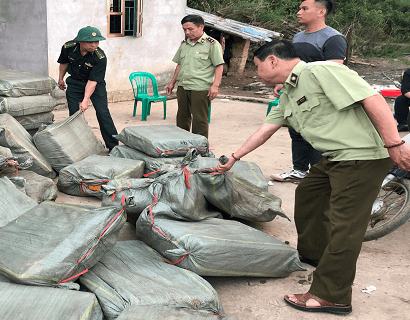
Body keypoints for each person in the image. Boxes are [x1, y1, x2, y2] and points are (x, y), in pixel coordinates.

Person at [216, 40, 410, 315]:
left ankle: (332, 295)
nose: (257, 74)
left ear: (273, 61)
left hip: (362, 156)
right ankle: (316, 255)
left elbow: (373, 99)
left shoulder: (321, 72)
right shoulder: (287, 95)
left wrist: (394, 144)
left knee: (346, 226)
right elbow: (266, 129)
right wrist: (234, 158)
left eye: (258, 67)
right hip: (335, 157)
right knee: (308, 193)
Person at [270, 0, 348, 183]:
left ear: (321, 11)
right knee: (296, 131)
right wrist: (284, 82)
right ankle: (299, 170)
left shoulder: (333, 38)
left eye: (304, 8)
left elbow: (334, 71)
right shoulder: (298, 37)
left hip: (319, 97)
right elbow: (293, 66)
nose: (299, 12)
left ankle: (318, 175)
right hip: (296, 93)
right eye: (299, 8)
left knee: (316, 134)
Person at [57, 26, 118, 151]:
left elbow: (92, 81)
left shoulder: (100, 57)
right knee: (74, 115)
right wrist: (61, 79)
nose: (94, 45)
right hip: (74, 83)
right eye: (90, 42)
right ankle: (78, 146)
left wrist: (85, 100)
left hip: (95, 85)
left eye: (97, 42)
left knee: (102, 113)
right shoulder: (68, 47)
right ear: (80, 41)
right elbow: (64, 63)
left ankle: (113, 146)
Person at [165, 15, 224, 139]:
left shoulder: (212, 44)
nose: (187, 32)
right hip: (183, 86)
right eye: (184, 29)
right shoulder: (184, 44)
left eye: (190, 29)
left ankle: (200, 148)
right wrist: (172, 82)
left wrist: (215, 86)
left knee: (199, 119)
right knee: (182, 117)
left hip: (200, 88)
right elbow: (179, 64)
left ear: (201, 27)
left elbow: (219, 66)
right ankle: (182, 144)